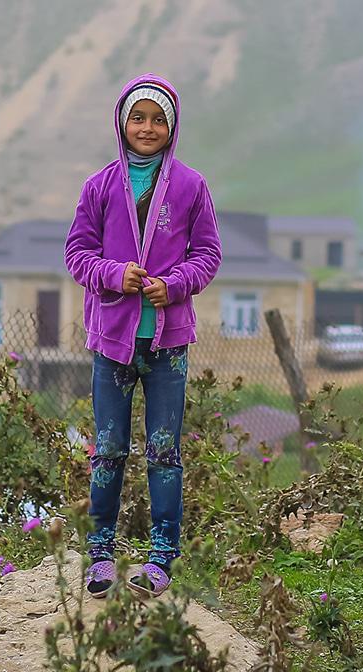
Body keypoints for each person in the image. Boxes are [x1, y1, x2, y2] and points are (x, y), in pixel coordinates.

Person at [63, 74, 222, 598]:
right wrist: (113, 274)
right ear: (122, 122)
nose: (147, 128)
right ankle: (101, 555)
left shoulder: (190, 187)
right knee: (108, 449)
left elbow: (208, 255)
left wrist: (173, 285)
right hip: (113, 342)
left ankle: (161, 558)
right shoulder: (100, 186)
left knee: (163, 451)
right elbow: (77, 254)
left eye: (158, 119)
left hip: (167, 346)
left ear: (172, 127)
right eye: (138, 117)